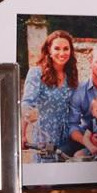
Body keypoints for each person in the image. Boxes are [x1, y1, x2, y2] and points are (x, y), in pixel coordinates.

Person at [21, 30, 79, 160]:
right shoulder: (36, 73)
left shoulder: (71, 76)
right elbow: (27, 104)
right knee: (45, 176)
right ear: (49, 50)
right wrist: (22, 134)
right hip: (44, 136)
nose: (62, 53)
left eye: (66, 49)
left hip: (66, 138)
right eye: (57, 48)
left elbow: (77, 107)